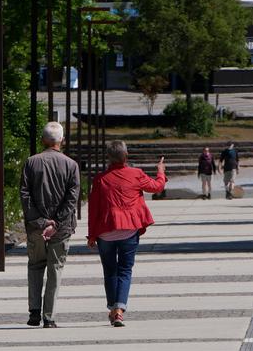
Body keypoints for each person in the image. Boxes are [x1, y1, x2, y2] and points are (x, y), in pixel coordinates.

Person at [87, 140, 166, 327]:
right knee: (124, 270)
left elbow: (93, 209)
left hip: (105, 232)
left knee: (110, 271)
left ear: (108, 158)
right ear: (126, 156)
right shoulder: (136, 174)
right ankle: (119, 310)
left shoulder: (100, 179)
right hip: (129, 230)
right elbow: (157, 187)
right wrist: (161, 170)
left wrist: (91, 235)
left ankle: (113, 309)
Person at [20, 122, 80, 328]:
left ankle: (34, 312)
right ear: (62, 140)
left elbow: (25, 195)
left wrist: (41, 221)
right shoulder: (71, 165)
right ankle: (49, 316)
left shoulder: (31, 162)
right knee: (55, 268)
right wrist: (56, 223)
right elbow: (72, 199)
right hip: (62, 228)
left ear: (43, 140)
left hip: (36, 227)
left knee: (35, 266)